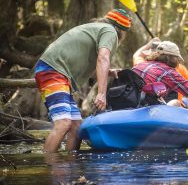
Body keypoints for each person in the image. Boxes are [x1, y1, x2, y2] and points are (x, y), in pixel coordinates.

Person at [34, 9, 132, 153]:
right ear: (122, 31)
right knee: (63, 124)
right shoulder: (110, 31)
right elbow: (103, 58)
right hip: (53, 71)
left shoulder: (96, 29)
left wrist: (108, 72)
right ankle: (47, 169)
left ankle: (69, 168)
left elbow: (92, 66)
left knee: (77, 127)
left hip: (56, 73)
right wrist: (102, 93)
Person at [132, 41, 188, 107]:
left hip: (131, 102)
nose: (177, 61)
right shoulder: (169, 72)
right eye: (176, 58)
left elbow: (137, 55)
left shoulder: (141, 64)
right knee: (175, 102)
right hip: (146, 107)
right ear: (172, 58)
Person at [133, 38, 188, 107]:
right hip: (169, 107)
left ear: (155, 54)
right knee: (179, 102)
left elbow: (137, 55)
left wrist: (149, 44)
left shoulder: (143, 65)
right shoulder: (180, 68)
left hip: (143, 104)